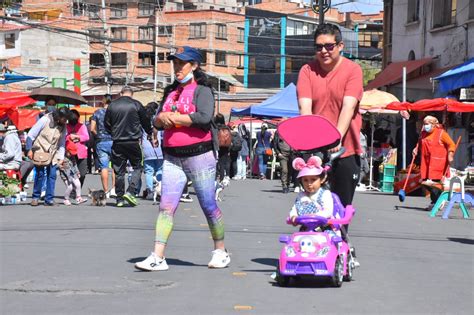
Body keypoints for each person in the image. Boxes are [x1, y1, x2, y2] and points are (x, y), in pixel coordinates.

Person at [135, 46, 230, 271]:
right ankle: (158, 256)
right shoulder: (170, 91)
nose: (177, 68)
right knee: (165, 207)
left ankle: (220, 250)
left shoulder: (203, 90)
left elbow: (205, 118)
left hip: (200, 155)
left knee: (208, 204)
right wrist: (161, 119)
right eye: (175, 63)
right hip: (171, 157)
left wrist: (175, 118)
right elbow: (156, 120)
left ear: (194, 66)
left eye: (182, 63)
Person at [297, 23, 363, 208]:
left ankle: (340, 237)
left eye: (329, 46)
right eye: (319, 47)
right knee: (311, 209)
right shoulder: (307, 71)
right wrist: (312, 143)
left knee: (339, 211)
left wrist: (336, 139)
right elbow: (305, 108)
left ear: (340, 46)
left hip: (345, 149)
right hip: (315, 151)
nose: (324, 51)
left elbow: (348, 108)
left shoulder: (353, 70)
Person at [104, 86, 152, 207]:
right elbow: (145, 121)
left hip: (117, 142)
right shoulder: (137, 104)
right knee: (137, 167)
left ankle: (119, 199)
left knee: (119, 171)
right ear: (132, 94)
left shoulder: (112, 105)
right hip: (133, 142)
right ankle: (130, 191)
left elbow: (106, 124)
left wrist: (114, 133)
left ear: (121, 93)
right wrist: (150, 133)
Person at [26, 107, 71, 206]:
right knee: (40, 174)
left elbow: (62, 142)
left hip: (53, 152)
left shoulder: (63, 126)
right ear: (59, 116)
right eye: (65, 118)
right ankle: (35, 197)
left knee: (52, 175)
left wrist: (61, 157)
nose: (66, 121)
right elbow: (31, 134)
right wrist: (29, 149)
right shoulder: (45, 119)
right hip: (40, 150)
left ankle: (49, 199)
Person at [289, 156, 339, 236]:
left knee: (330, 243)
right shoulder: (301, 196)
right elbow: (295, 208)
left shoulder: (325, 194)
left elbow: (328, 211)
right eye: (305, 180)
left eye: (313, 179)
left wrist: (314, 217)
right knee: (296, 242)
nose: (309, 183)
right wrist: (293, 216)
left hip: (323, 229)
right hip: (306, 229)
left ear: (322, 179)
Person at [414, 115, 455, 209]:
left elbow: (451, 144)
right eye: (424, 124)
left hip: (438, 163)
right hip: (426, 162)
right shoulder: (423, 133)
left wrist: (450, 154)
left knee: (434, 183)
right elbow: (420, 142)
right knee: (424, 182)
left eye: (427, 124)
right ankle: (438, 200)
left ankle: (436, 202)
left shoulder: (441, 133)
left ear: (433, 124)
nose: (425, 126)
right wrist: (416, 149)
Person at [91, 94, 115, 197]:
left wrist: (99, 135)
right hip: (114, 141)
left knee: (104, 167)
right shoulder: (115, 112)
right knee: (115, 167)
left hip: (101, 142)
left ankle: (106, 191)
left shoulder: (97, 112)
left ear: (103, 101)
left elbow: (92, 129)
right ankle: (114, 189)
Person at [142, 102, 163, 200]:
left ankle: (150, 191)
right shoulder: (158, 119)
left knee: (149, 172)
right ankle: (160, 189)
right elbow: (162, 133)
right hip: (158, 147)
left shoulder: (143, 119)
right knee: (160, 169)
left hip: (146, 147)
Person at [60, 136, 87, 205]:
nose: (72, 154)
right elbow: (65, 170)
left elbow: (74, 164)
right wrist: (69, 178)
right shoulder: (63, 159)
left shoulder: (72, 157)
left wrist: (77, 172)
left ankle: (78, 198)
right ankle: (66, 199)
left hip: (73, 173)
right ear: (67, 150)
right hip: (66, 175)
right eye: (71, 153)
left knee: (78, 184)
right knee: (70, 187)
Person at [66, 109, 89, 187]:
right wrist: (69, 137)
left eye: (75, 117)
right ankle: (73, 191)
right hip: (70, 152)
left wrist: (77, 137)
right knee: (71, 173)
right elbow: (63, 137)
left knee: (82, 174)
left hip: (81, 153)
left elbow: (86, 137)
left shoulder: (82, 126)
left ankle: (78, 188)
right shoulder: (66, 126)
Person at [273, 129, 293, 193]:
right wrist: (278, 152)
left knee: (290, 170)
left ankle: (287, 185)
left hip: (291, 154)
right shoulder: (278, 132)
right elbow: (275, 144)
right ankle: (284, 185)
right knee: (284, 170)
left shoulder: (291, 131)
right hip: (282, 154)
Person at [215, 113, 231, 186]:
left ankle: (215, 178)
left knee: (214, 162)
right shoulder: (227, 128)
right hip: (225, 146)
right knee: (222, 163)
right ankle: (221, 178)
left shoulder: (215, 127)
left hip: (216, 146)